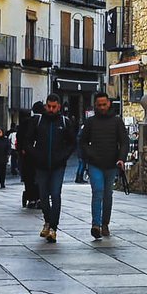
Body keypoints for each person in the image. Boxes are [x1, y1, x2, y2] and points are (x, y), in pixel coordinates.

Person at [25, 92, 77, 242]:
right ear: (46, 106)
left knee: (55, 194)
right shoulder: (38, 121)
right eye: (49, 106)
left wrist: (63, 156)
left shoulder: (64, 122)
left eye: (54, 107)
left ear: (59, 106)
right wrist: (35, 154)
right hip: (41, 165)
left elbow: (72, 143)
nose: (52, 109)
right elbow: (28, 140)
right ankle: (47, 221)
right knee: (43, 196)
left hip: (58, 166)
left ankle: (53, 227)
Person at [80, 92, 127, 239]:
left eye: (104, 104)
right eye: (99, 105)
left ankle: (105, 223)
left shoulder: (117, 121)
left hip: (112, 164)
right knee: (98, 192)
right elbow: (82, 141)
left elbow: (124, 142)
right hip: (95, 164)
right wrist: (89, 154)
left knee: (108, 195)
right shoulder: (90, 122)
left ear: (109, 104)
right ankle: (96, 224)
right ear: (95, 105)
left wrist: (121, 159)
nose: (102, 107)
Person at [17, 102, 44, 209]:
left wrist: (22, 150)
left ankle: (31, 198)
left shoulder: (26, 122)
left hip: (27, 155)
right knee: (40, 177)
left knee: (29, 177)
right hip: (40, 155)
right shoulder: (45, 122)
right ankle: (39, 197)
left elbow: (20, 137)